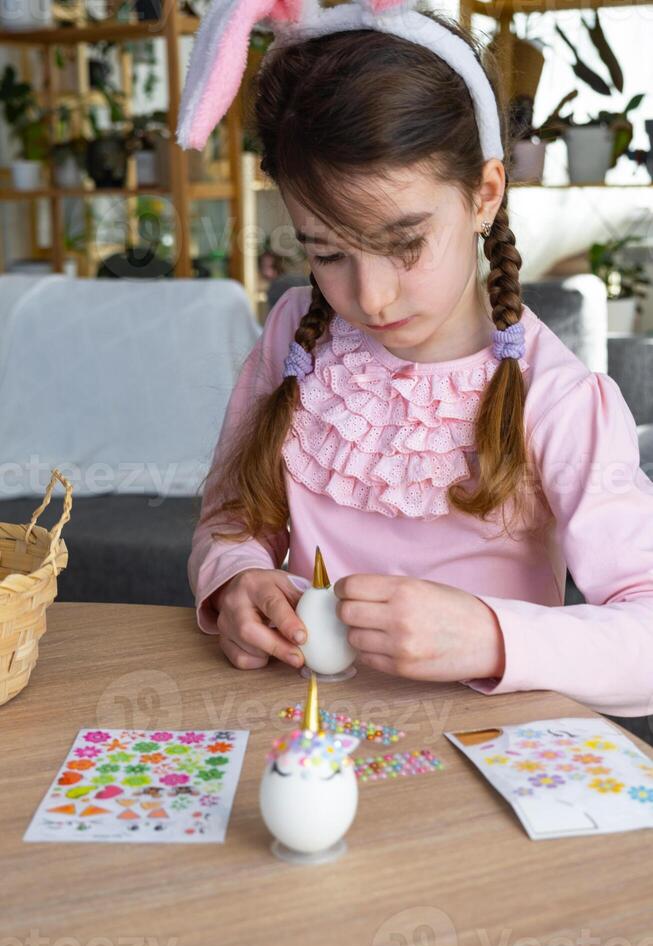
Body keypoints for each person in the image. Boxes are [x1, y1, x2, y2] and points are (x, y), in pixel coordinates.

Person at [179, 0, 653, 723]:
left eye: (404, 244)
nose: (368, 298)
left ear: (483, 195)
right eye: (326, 252)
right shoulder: (292, 339)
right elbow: (232, 518)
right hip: (307, 738)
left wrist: (491, 636)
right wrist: (236, 578)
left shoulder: (553, 397)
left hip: (486, 762)